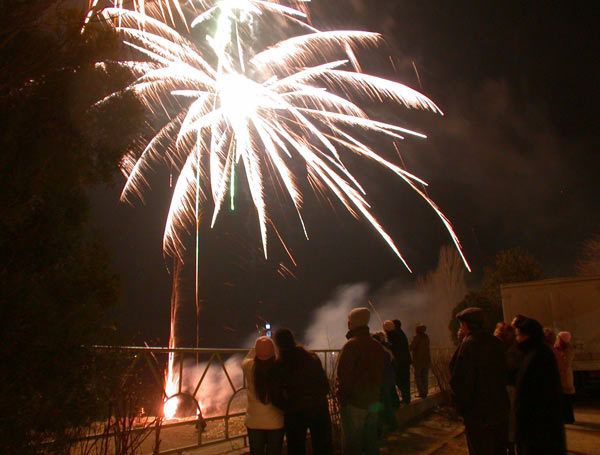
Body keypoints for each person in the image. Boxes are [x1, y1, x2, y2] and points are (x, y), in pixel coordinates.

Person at [450, 308, 509, 455]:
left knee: (480, 449)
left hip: (477, 412)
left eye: (461, 324)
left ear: (466, 325)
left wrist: (461, 407)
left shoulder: (469, 344)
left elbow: (459, 378)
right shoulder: (496, 342)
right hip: (499, 408)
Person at [273, 328, 333, 455]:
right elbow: (325, 384)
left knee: (296, 448)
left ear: (277, 345)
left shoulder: (279, 364)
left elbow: (276, 396)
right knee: (323, 447)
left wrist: (288, 406)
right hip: (319, 408)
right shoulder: (311, 357)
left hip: (295, 413)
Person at [513, 317, 566, 454]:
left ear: (528, 335)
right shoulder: (536, 352)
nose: (517, 339)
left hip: (537, 426)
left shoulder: (536, 355)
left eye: (519, 335)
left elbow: (532, 393)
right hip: (540, 425)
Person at [337, 307, 385, 455]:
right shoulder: (376, 345)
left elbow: (344, 377)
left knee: (353, 443)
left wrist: (342, 400)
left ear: (351, 323)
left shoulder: (351, 345)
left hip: (355, 403)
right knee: (371, 440)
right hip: (373, 400)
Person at [242, 336, 285, 455]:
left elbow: (247, 358)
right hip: (276, 422)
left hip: (254, 422)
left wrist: (257, 348)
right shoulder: (279, 368)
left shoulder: (248, 366)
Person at [494, 322, 521, 455]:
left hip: (507, 386)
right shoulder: (516, 348)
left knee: (508, 419)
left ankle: (510, 445)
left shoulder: (505, 350)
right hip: (511, 386)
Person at [372, 331, 400, 435]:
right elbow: (394, 364)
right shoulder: (386, 350)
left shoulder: (378, 351)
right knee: (385, 404)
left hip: (382, 381)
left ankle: (380, 428)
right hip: (387, 380)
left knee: (379, 405)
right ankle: (392, 425)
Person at [383, 319, 412, 405]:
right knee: (405, 380)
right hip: (405, 361)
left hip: (399, 362)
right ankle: (406, 398)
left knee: (399, 380)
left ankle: (404, 399)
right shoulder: (400, 333)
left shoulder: (392, 335)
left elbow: (393, 347)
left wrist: (386, 344)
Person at [554, 331, 576, 424]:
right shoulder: (561, 349)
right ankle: (566, 417)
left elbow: (566, 364)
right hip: (563, 377)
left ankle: (569, 418)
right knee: (564, 399)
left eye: (558, 338)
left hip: (565, 378)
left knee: (567, 399)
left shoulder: (567, 350)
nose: (557, 339)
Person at [410, 324, 431, 399]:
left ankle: (421, 392)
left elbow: (411, 347)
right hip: (426, 360)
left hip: (418, 361)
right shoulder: (426, 337)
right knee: (425, 377)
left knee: (418, 377)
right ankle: (425, 392)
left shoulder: (417, 337)